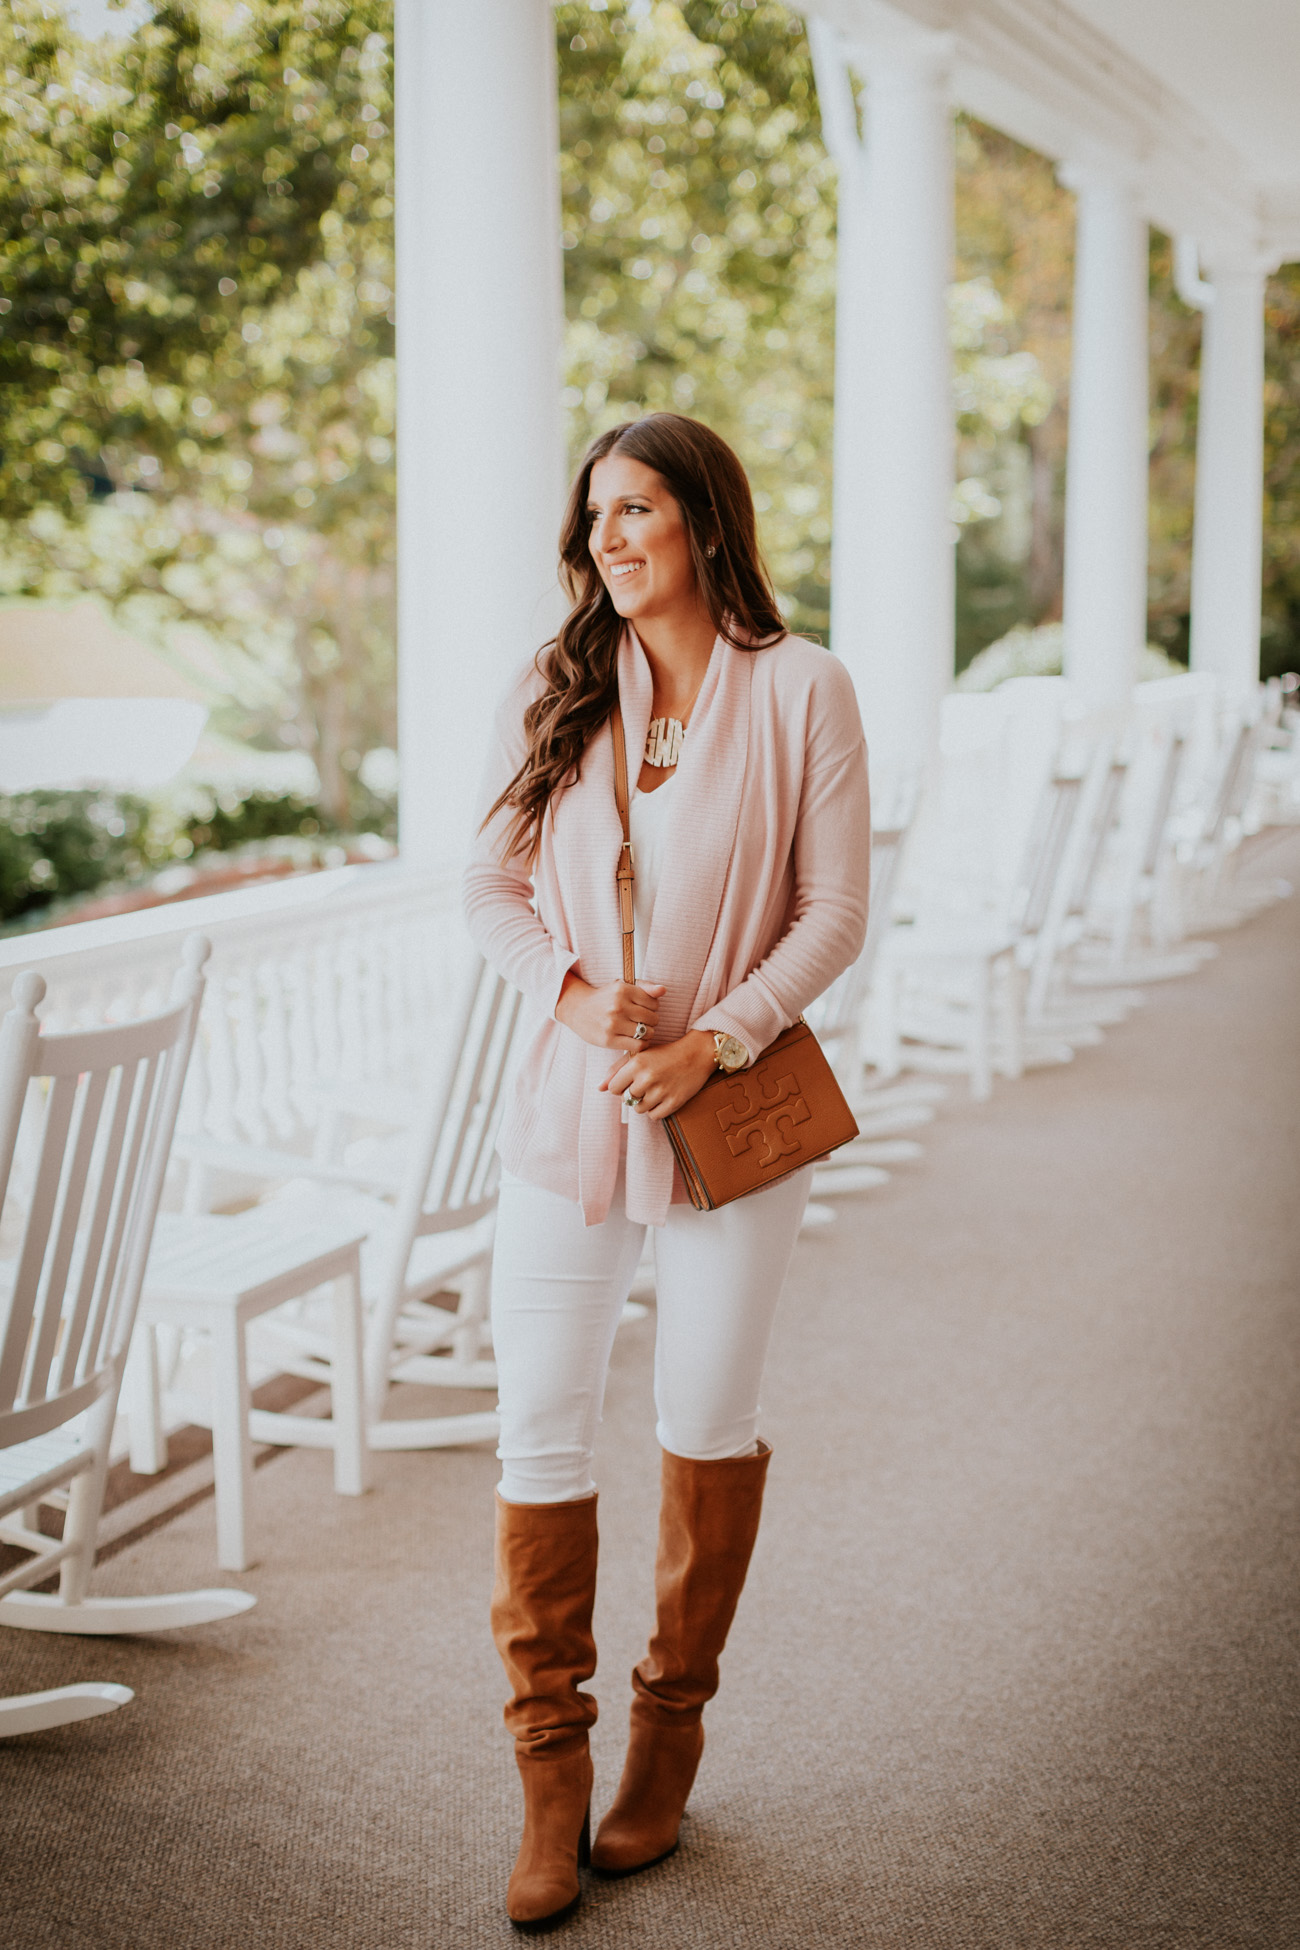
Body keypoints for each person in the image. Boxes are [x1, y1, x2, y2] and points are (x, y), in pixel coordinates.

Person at [464, 411, 870, 1933]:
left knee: (704, 1423)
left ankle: (666, 1741)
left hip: (731, 1113)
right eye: (595, 517)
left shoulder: (806, 687)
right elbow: (489, 886)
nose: (609, 538)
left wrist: (718, 1039)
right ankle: (548, 1773)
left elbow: (835, 911)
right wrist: (576, 998)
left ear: (705, 517)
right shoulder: (556, 684)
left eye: (636, 508)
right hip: (571, 1110)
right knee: (537, 1422)